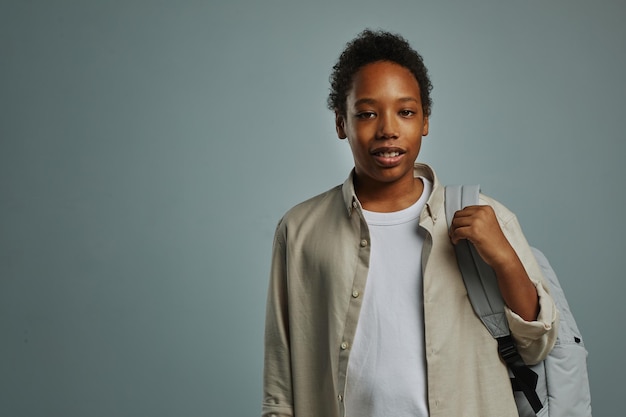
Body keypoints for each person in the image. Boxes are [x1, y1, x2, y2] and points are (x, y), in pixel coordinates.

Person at [262, 29, 558, 417]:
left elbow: (536, 345)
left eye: (405, 111)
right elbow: (280, 384)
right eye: (367, 113)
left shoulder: (485, 216)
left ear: (425, 121)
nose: (387, 128)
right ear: (340, 123)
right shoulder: (300, 231)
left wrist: (503, 257)